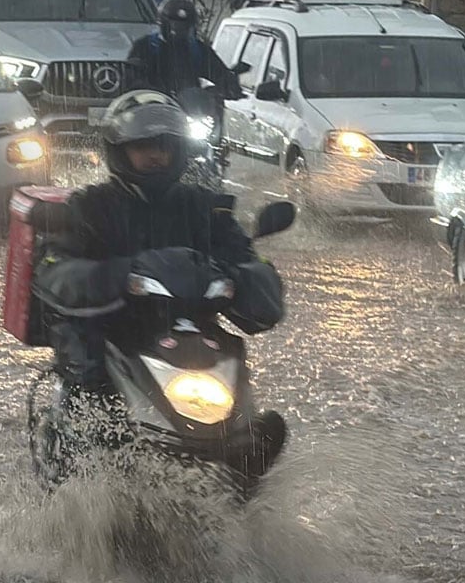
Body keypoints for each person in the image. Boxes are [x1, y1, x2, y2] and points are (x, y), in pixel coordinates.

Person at [32, 90, 284, 433]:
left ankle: (242, 433)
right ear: (120, 151)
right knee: (85, 368)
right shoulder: (89, 207)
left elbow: (245, 258)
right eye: (144, 147)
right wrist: (120, 277)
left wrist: (242, 280)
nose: (157, 156)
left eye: (165, 147)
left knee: (232, 354)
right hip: (114, 326)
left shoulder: (206, 209)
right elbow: (53, 270)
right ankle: (79, 443)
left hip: (188, 328)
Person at [126, 0, 243, 114]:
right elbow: (131, 76)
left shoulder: (198, 49)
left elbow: (217, 71)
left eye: (184, 25)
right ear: (162, 24)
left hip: (189, 112)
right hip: (151, 110)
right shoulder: (145, 46)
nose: (178, 29)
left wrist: (228, 84)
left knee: (216, 127)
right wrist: (149, 90)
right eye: (173, 24)